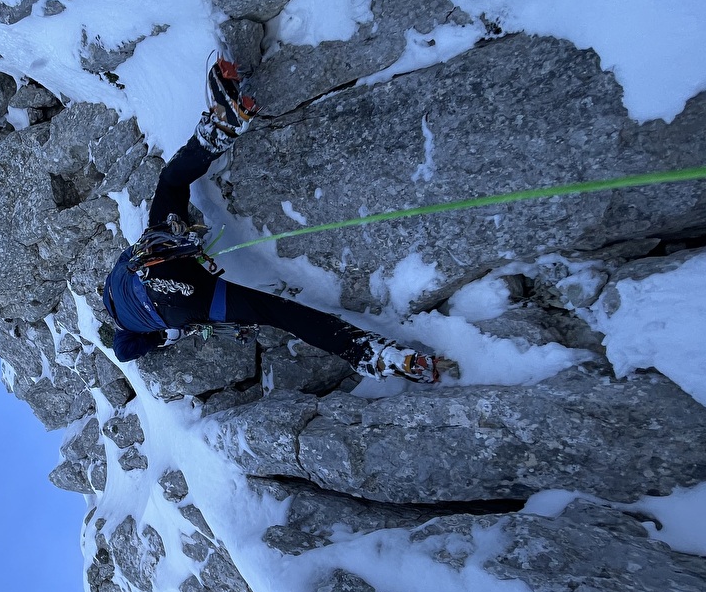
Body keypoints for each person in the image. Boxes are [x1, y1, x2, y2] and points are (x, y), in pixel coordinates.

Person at [101, 56, 456, 384]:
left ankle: (372, 353)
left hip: (187, 306)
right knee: (171, 182)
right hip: (155, 263)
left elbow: (125, 351)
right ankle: (218, 130)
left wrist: (161, 335)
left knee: (281, 314)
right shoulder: (111, 298)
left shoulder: (128, 332)